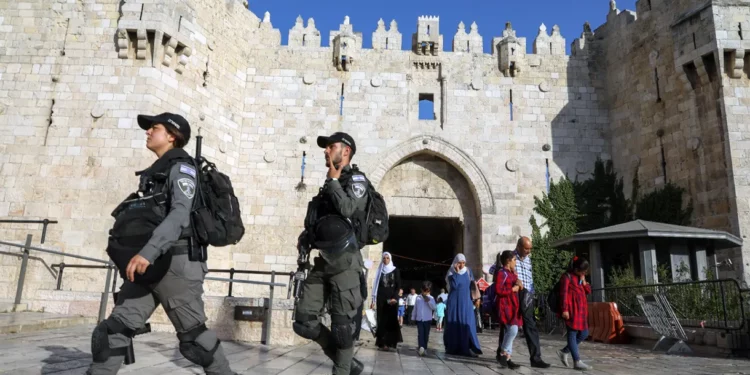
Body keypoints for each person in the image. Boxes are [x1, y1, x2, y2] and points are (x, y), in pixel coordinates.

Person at [87, 113, 235, 375]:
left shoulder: (182, 168)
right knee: (113, 332)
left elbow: (179, 214)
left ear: (171, 136)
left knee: (195, 340)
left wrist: (147, 253)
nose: (148, 132)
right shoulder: (158, 171)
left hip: (176, 263)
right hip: (152, 263)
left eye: (154, 128)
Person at [293, 132, 370, 375]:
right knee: (304, 321)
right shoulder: (328, 185)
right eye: (325, 148)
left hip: (346, 262)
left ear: (345, 151)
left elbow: (348, 208)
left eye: (331, 147)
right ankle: (345, 361)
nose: (326, 151)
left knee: (342, 328)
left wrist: (335, 182)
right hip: (323, 261)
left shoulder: (356, 180)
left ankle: (342, 368)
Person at [511, 237, 551, 368]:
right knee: (510, 325)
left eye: (530, 249)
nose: (529, 251)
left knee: (530, 325)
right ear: (519, 246)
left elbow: (530, 278)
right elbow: (494, 269)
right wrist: (513, 279)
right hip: (515, 294)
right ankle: (503, 354)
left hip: (527, 296)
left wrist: (532, 292)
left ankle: (536, 358)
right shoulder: (510, 257)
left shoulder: (528, 260)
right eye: (526, 248)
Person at [557, 256, 593, 371]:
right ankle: (577, 361)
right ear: (576, 269)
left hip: (581, 310)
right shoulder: (566, 277)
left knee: (584, 333)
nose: (584, 273)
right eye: (583, 271)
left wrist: (584, 281)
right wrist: (564, 309)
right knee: (572, 333)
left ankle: (564, 352)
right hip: (571, 310)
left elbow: (588, 290)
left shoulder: (580, 278)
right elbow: (563, 294)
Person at [443, 253, 482, 357]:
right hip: (454, 302)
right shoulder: (451, 273)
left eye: (463, 262)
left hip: (466, 301)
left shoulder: (468, 271)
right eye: (459, 263)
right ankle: (453, 347)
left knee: (467, 323)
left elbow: (473, 285)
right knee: (454, 322)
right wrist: (456, 273)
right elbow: (454, 286)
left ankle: (469, 347)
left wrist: (477, 298)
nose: (461, 265)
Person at [495, 250, 522, 370]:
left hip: (513, 305)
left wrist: (519, 284)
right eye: (514, 260)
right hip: (505, 305)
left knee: (510, 331)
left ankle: (507, 357)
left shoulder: (511, 273)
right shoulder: (502, 273)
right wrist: (512, 289)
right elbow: (499, 290)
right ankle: (503, 352)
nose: (516, 262)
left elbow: (517, 285)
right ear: (508, 261)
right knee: (512, 330)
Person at [372, 252, 403, 351]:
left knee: (391, 320)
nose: (385, 260)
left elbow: (398, 286)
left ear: (390, 259)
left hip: (392, 300)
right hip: (381, 299)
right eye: (384, 258)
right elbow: (376, 286)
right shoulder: (380, 271)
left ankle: (391, 342)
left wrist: (395, 298)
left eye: (387, 258)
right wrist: (373, 300)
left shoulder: (395, 271)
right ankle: (383, 343)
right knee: (381, 320)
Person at [411, 281, 436, 356]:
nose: (425, 293)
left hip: (427, 319)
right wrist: (413, 317)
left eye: (427, 291)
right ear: (421, 290)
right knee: (420, 334)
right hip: (420, 319)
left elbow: (434, 307)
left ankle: (425, 348)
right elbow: (415, 308)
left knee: (426, 334)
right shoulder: (418, 298)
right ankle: (421, 347)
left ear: (429, 291)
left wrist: (428, 302)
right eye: (424, 290)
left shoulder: (431, 298)